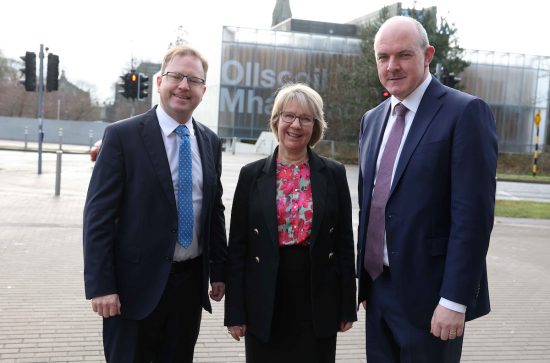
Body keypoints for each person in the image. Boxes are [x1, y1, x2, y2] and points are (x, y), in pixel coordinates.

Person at [357, 16, 497, 362]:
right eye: (383, 57)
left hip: (432, 301)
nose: (392, 66)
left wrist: (454, 300)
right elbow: (372, 205)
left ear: (428, 55)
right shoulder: (372, 120)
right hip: (377, 291)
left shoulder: (464, 112)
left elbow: (473, 218)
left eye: (403, 55)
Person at [83, 45, 228, 362]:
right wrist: (100, 285)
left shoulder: (210, 142)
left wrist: (219, 270)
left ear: (203, 90)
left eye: (193, 80)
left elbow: (213, 210)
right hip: (132, 292)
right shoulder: (123, 136)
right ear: (160, 80)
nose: (183, 86)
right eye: (176, 76)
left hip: (189, 290)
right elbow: (98, 217)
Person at [224, 83, 357, 363]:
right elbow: (237, 248)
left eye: (306, 118)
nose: (296, 125)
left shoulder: (333, 173)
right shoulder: (251, 176)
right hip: (264, 295)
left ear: (315, 126)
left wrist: (347, 306)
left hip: (317, 296)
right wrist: (235, 312)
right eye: (289, 116)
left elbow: (344, 242)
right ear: (276, 120)